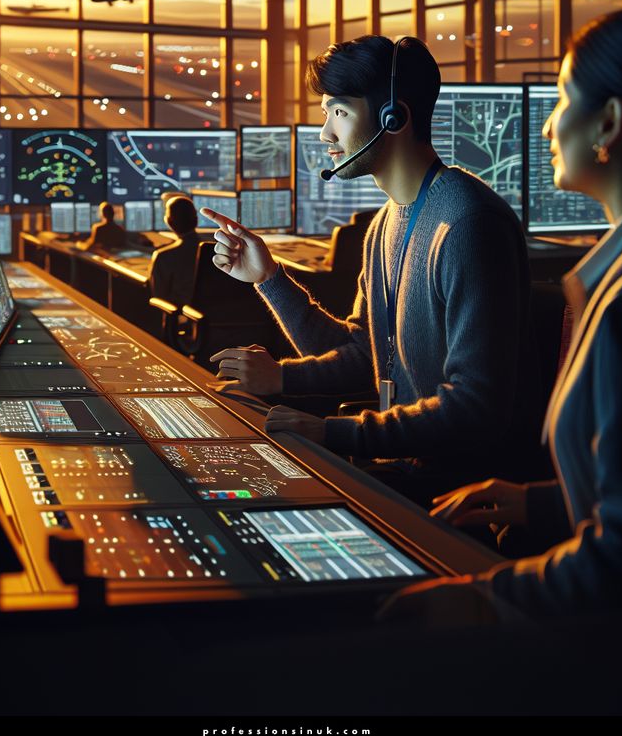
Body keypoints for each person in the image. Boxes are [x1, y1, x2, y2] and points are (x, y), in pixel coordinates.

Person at [381, 5, 622, 621]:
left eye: (562, 100)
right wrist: (537, 502)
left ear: (610, 123)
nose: (548, 125)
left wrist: (479, 599)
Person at [208, 34, 540, 505]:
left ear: (393, 118)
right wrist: (270, 282)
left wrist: (335, 432)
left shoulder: (468, 224)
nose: (325, 133)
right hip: (402, 469)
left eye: (339, 112)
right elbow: (367, 356)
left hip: (454, 493)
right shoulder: (385, 223)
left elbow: (475, 407)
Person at [149, 194, 199, 306]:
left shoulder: (163, 257)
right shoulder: (211, 250)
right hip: (209, 314)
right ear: (196, 220)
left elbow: (159, 297)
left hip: (179, 314)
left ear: (169, 221)